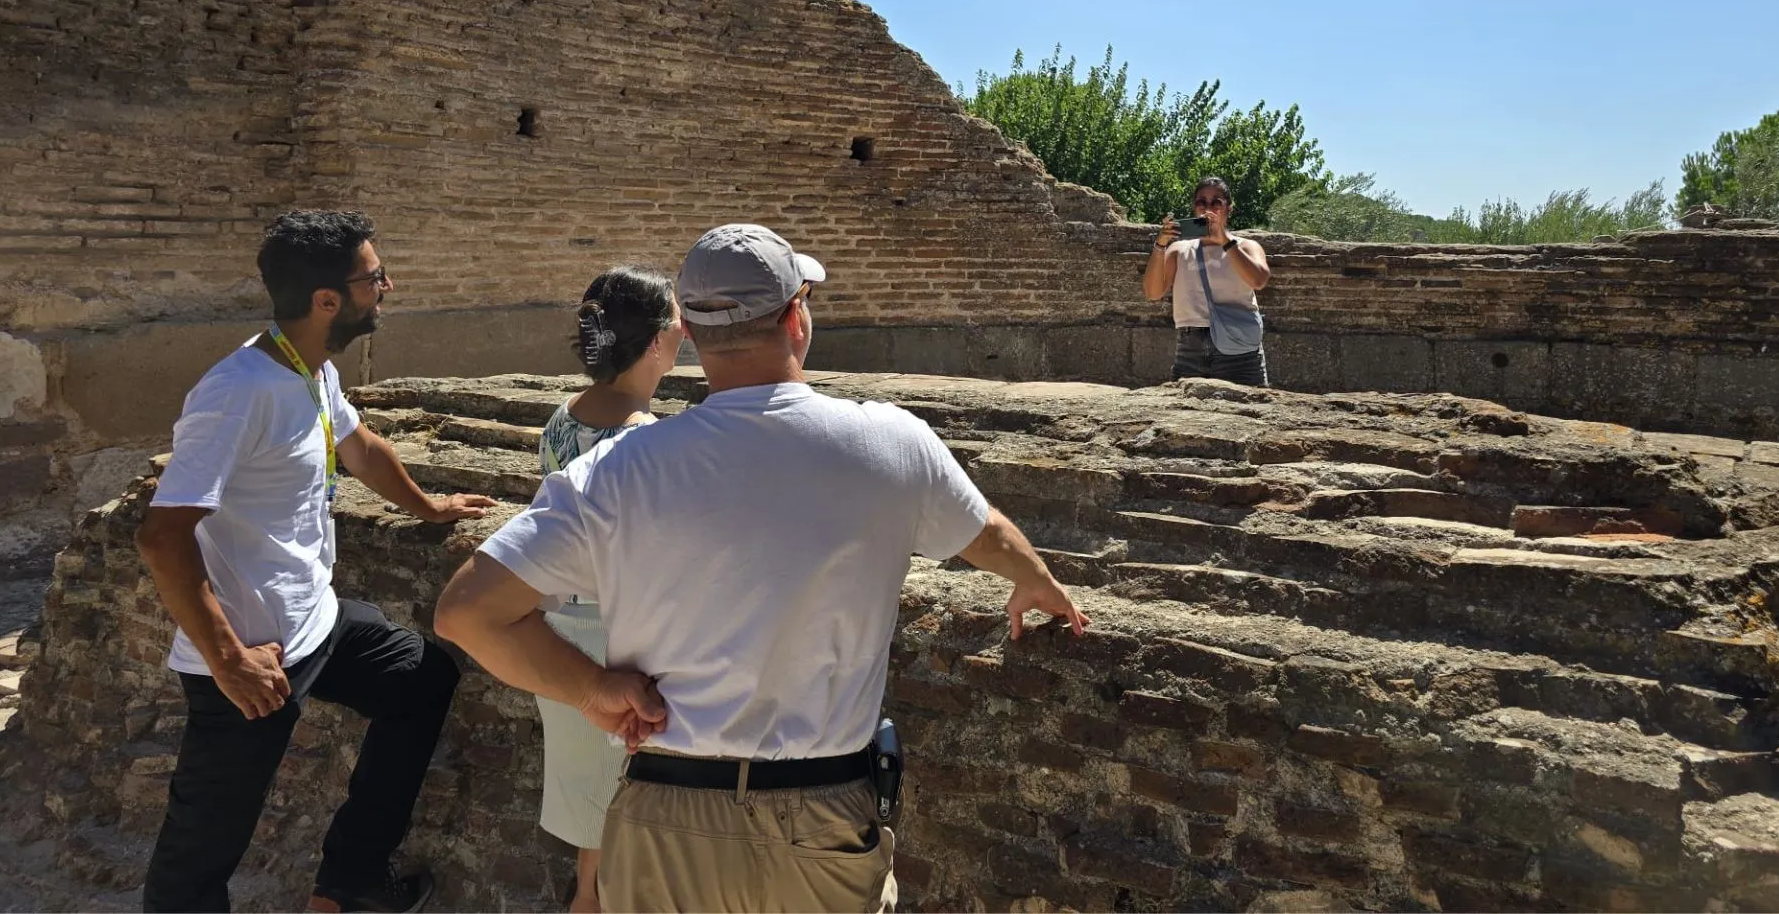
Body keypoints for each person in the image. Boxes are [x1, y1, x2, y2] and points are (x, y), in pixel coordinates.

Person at [433, 223, 1092, 913]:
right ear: (794, 317)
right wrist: (1038, 580)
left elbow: (466, 612)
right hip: (821, 817)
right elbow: (985, 532)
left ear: (690, 333)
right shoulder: (891, 442)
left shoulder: (619, 468)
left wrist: (592, 688)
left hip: (667, 812)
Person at [134, 210, 496, 913]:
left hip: (318, 626)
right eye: (374, 277)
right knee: (197, 862)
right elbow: (162, 535)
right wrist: (229, 661)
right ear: (327, 300)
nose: (387, 287)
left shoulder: (309, 366)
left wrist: (430, 507)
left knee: (422, 679)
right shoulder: (236, 392)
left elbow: (360, 448)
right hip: (253, 657)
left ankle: (348, 882)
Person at [534, 266, 684, 913]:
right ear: (654, 341)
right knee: (617, 809)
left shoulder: (560, 419)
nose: (684, 331)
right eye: (676, 320)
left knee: (593, 811)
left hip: (559, 633)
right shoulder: (649, 440)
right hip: (620, 640)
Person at [1142, 175, 1274, 386]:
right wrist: (1160, 245)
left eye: (1216, 202)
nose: (1208, 208)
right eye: (1201, 202)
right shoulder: (1179, 250)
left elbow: (1259, 280)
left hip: (1239, 351)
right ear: (1194, 208)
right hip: (1190, 349)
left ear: (1228, 208)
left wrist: (1224, 241)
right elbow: (1153, 293)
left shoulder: (1247, 246)